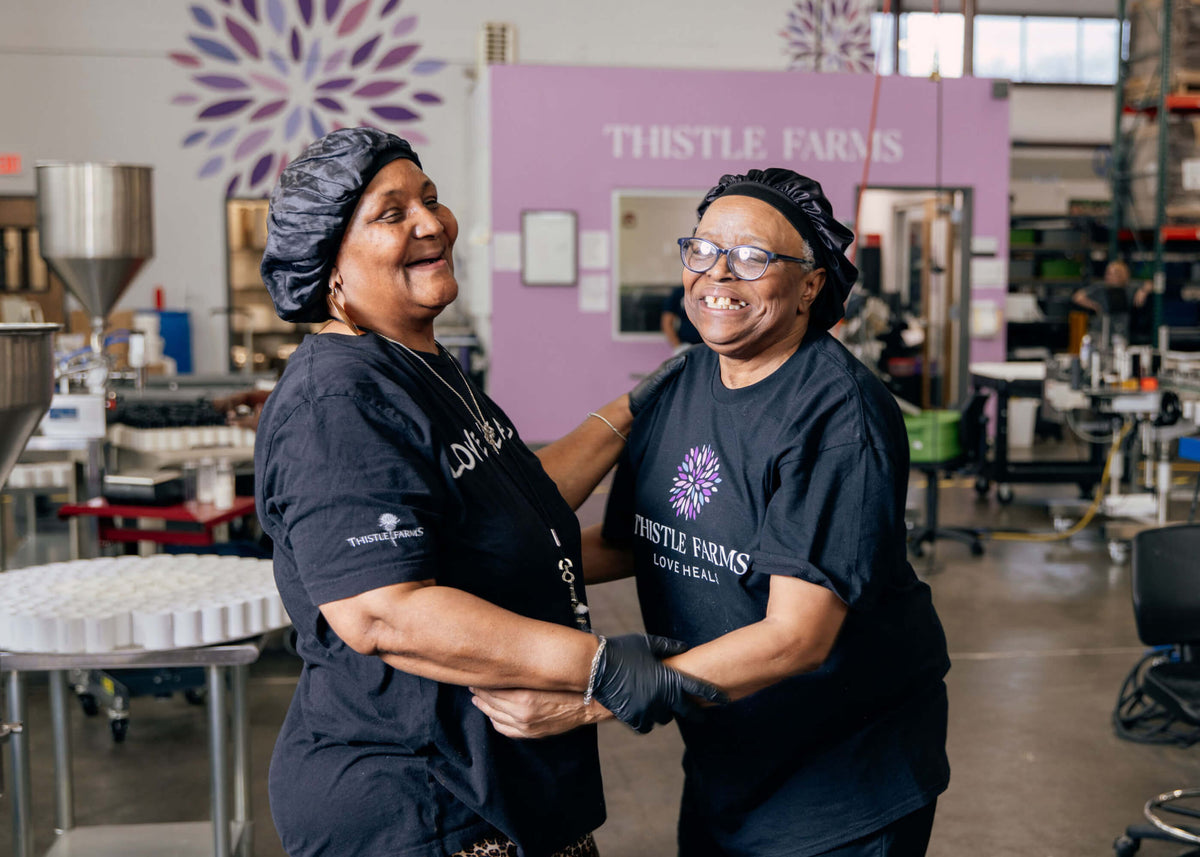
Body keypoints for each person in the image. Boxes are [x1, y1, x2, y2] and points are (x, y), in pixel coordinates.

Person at [253, 127, 720, 857]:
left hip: (505, 785)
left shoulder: (426, 366)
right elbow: (381, 611)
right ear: (329, 264)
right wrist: (599, 664)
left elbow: (517, 502)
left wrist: (635, 409)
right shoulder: (338, 401)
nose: (431, 222)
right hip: (419, 801)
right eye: (391, 213)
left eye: (431, 198)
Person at [473, 169, 952, 857]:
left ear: (810, 286)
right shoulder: (683, 381)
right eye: (702, 249)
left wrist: (593, 696)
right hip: (729, 758)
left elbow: (796, 637)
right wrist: (484, 571)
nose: (718, 274)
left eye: (752, 257)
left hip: (840, 782)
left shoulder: (835, 415)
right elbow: (637, 540)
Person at [1071, 259, 1154, 346]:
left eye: (1113, 274)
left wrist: (1143, 291)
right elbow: (1078, 296)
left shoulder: (1129, 288)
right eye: (1108, 273)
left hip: (1120, 332)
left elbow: (1150, 284)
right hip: (1100, 330)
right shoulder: (1100, 287)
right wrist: (1095, 306)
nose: (1109, 276)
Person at [660, 284, 703, 353]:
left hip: (710, 345)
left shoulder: (709, 291)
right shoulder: (679, 292)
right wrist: (678, 346)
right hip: (686, 344)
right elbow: (667, 322)